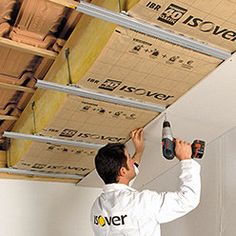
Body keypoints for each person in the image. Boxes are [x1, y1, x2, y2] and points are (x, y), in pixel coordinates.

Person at [91, 128, 201, 235]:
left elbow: (124, 182)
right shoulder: (142, 203)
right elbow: (188, 199)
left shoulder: (97, 208)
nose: (132, 160)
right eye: (130, 158)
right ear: (123, 171)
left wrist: (138, 151)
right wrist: (186, 160)